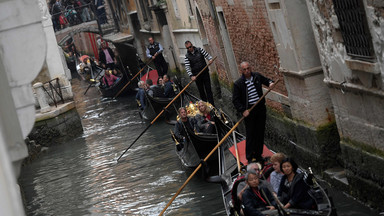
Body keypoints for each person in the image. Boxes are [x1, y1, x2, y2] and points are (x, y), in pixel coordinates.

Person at [232, 61, 274, 164]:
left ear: (251, 68)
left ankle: (258, 155)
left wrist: (270, 83)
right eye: (244, 70)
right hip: (249, 111)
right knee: (251, 134)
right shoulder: (238, 84)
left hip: (260, 108)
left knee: (260, 132)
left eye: (248, 69)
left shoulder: (257, 76)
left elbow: (267, 80)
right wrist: (243, 110)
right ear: (241, 71)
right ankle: (250, 158)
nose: (247, 71)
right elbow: (235, 100)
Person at [184, 41, 215, 106]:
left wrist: (210, 59)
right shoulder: (187, 56)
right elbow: (187, 67)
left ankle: (212, 105)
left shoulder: (199, 50)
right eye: (187, 48)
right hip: (196, 76)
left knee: (208, 89)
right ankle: (204, 106)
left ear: (192, 45)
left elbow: (208, 56)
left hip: (205, 73)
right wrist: (191, 76)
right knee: (201, 91)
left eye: (190, 47)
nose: (189, 49)